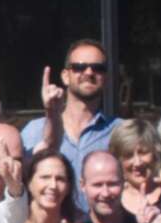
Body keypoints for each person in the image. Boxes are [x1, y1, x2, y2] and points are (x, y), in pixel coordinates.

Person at [23, 40, 120, 202]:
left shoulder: (119, 131)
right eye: (80, 67)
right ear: (65, 76)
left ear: (106, 78)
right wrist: (51, 113)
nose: (89, 72)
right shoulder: (34, 131)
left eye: (98, 68)